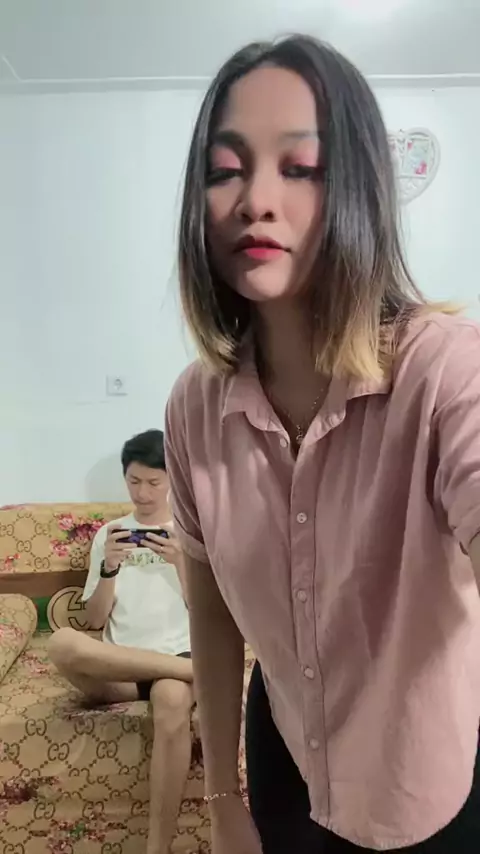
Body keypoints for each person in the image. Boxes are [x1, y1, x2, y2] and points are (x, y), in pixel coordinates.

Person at [164, 34, 480, 854]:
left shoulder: (447, 372)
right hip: (285, 760)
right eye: (226, 170)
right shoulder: (195, 406)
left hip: (428, 780)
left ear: (358, 189)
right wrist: (221, 796)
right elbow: (211, 608)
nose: (255, 200)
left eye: (299, 166)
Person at [49, 429, 193, 854]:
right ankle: (197, 673)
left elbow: (212, 612)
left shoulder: (193, 532)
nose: (142, 493)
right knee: (62, 644)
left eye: (153, 482)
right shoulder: (109, 534)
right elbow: (95, 621)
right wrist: (108, 567)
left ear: (173, 479)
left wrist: (182, 562)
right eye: (134, 481)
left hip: (177, 654)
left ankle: (156, 849)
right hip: (120, 667)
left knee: (171, 699)